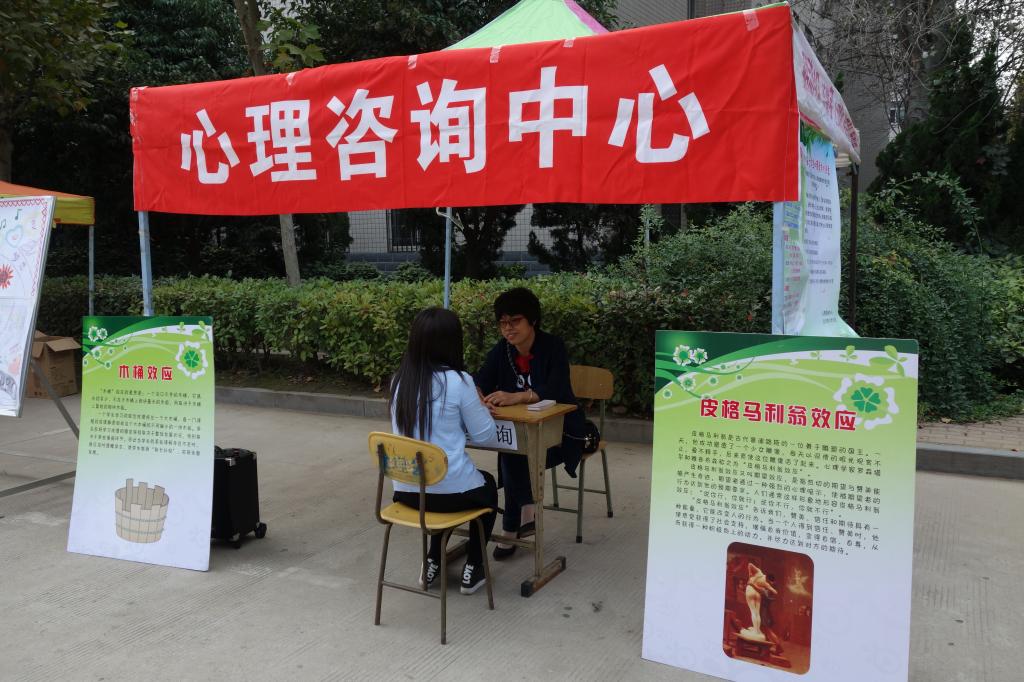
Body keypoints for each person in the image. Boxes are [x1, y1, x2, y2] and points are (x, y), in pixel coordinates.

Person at [389, 307, 498, 595]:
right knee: (487, 487)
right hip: (448, 495)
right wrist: (479, 404)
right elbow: (485, 435)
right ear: (452, 343)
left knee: (440, 486)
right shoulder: (460, 382)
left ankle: (433, 558)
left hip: (407, 493)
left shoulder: (399, 381)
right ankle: (474, 567)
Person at [474, 287, 585, 559]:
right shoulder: (501, 351)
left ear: (532, 320)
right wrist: (481, 399)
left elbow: (557, 389)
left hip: (562, 430)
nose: (508, 328)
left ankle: (513, 526)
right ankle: (525, 512)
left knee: (513, 454)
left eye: (515, 321)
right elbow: (479, 382)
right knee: (513, 450)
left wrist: (518, 396)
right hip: (523, 432)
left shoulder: (553, 346)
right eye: (503, 323)